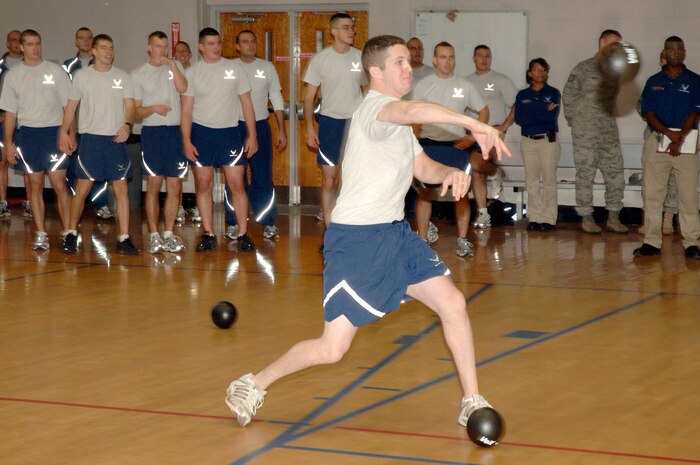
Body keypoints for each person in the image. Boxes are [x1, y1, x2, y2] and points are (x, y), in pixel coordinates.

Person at [224, 35, 511, 430]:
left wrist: (450, 173)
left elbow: (423, 167)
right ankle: (253, 384)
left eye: (409, 63)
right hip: (357, 240)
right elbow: (410, 109)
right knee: (333, 348)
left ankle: (471, 400)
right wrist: (474, 122)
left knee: (453, 304)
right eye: (399, 63)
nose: (408, 68)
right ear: (376, 71)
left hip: (396, 235)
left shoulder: (397, 123)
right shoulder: (376, 110)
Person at [58, 33, 139, 255]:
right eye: (104, 47)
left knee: (121, 190)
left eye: (111, 48)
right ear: (93, 51)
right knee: (82, 188)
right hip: (91, 140)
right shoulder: (82, 76)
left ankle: (124, 238)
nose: (108, 51)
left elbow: (130, 106)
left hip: (115, 141)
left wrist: (127, 124)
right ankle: (71, 233)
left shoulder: (122, 76)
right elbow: (71, 108)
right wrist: (65, 133)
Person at [181, 27, 258, 252]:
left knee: (237, 184)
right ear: (201, 47)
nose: (217, 47)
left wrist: (251, 135)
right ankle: (208, 233)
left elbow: (246, 104)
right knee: (203, 184)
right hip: (202, 133)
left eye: (219, 43)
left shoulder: (234, 68)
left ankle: (243, 232)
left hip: (230, 134)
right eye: (212, 43)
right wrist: (186, 141)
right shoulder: (193, 72)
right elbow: (186, 111)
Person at [412, 41, 488, 257]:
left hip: (455, 147)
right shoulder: (424, 85)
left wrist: (471, 136)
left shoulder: (464, 85)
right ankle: (423, 241)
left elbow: (483, 111)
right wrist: (414, 141)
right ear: (434, 60)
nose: (448, 61)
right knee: (425, 194)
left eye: (451, 57)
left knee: (461, 195)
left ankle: (462, 240)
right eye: (443, 57)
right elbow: (414, 116)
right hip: (429, 145)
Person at [0, 29, 72, 249]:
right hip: (29, 135)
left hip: (54, 133)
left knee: (59, 184)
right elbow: (10, 114)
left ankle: (69, 231)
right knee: (35, 184)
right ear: (21, 47)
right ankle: (41, 233)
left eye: (38, 43)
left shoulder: (55, 71)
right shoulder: (13, 76)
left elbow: (68, 106)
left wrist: (68, 133)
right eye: (30, 44)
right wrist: (9, 143)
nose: (35, 48)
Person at [633, 36, 700, 259]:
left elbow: (695, 111)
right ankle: (652, 242)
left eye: (681, 50)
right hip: (658, 141)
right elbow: (648, 112)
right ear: (664, 52)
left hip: (686, 143)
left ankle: (692, 243)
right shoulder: (653, 81)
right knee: (653, 195)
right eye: (672, 49)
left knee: (688, 196)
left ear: (684, 53)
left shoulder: (694, 81)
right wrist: (669, 134)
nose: (677, 53)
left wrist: (679, 137)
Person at [303, 13, 366, 243]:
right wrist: (310, 128)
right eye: (346, 27)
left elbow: (368, 92)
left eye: (353, 27)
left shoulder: (360, 58)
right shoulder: (321, 60)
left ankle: (352, 226)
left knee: (354, 178)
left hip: (356, 125)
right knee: (330, 180)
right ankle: (331, 231)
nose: (351, 32)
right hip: (330, 123)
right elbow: (308, 98)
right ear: (334, 31)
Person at [562, 30, 629, 234]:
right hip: (586, 132)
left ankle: (614, 217)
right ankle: (586, 217)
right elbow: (568, 96)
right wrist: (578, 122)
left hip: (608, 130)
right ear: (602, 43)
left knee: (615, 173)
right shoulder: (582, 68)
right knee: (585, 173)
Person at [224, 30, 287, 241]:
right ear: (237, 46)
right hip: (233, 128)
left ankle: (268, 222)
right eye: (245, 42)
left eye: (253, 41)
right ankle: (233, 222)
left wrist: (281, 130)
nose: (250, 45)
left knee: (262, 177)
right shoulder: (229, 68)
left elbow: (276, 98)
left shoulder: (267, 67)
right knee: (234, 179)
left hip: (260, 126)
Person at [132, 31, 188, 254]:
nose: (162, 50)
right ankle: (154, 234)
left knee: (174, 185)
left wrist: (173, 66)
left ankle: (169, 233)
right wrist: (153, 108)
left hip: (174, 132)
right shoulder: (138, 74)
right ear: (149, 48)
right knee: (154, 185)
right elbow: (136, 111)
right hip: (153, 133)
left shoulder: (175, 68)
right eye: (158, 46)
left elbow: (183, 89)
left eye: (165, 46)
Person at [62, 27, 114, 221]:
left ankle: (101, 205)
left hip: (98, 127)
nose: (85, 41)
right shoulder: (68, 67)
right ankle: (74, 206)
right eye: (81, 38)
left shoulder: (104, 65)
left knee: (100, 170)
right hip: (76, 125)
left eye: (88, 38)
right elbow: (65, 100)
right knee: (74, 169)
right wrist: (67, 130)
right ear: (76, 42)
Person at [466, 45, 518, 229]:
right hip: (473, 134)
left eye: (487, 56)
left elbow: (516, 103)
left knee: (479, 166)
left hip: (493, 132)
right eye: (480, 56)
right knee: (476, 171)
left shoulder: (500, 79)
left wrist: (504, 126)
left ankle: (495, 173)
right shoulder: (467, 82)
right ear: (474, 58)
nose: (484, 59)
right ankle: (483, 213)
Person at [513, 58, 561, 232]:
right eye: (536, 69)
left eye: (543, 69)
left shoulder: (554, 93)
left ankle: (548, 219)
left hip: (548, 141)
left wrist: (532, 111)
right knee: (531, 181)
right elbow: (520, 119)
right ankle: (534, 217)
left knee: (548, 180)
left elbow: (550, 117)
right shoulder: (522, 95)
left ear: (547, 72)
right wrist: (541, 109)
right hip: (528, 141)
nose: (540, 73)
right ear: (530, 73)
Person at [636, 51, 676, 236]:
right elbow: (642, 107)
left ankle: (668, 219)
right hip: (655, 135)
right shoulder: (653, 83)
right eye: (666, 58)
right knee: (651, 181)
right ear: (661, 61)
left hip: (677, 136)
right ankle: (651, 221)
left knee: (673, 180)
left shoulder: (685, 82)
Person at [0, 30, 26, 219]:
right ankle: (3, 203)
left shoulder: (31, 67)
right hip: (2, 122)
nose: (16, 43)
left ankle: (30, 203)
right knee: (2, 162)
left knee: (28, 166)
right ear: (7, 43)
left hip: (25, 124)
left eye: (20, 40)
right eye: (13, 40)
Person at [173, 40, 195, 224]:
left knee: (199, 167)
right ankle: (178, 207)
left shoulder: (196, 72)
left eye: (184, 51)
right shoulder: (171, 74)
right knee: (178, 169)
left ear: (190, 54)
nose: (181, 55)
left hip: (196, 124)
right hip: (177, 125)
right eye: (177, 52)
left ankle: (196, 206)